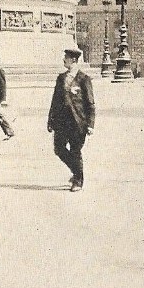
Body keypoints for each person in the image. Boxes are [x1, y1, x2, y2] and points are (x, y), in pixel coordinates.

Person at [47, 47, 95, 192]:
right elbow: (54, 101)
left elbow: (90, 103)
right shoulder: (61, 78)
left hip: (77, 122)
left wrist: (91, 124)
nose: (64, 59)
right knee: (59, 149)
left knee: (75, 151)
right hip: (61, 122)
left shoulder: (84, 79)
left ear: (73, 60)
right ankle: (76, 171)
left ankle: (78, 181)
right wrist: (50, 120)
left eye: (66, 57)